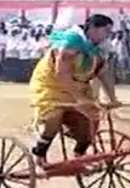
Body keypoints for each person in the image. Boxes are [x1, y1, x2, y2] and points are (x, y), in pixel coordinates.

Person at [28, 14, 121, 167]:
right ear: (92, 29)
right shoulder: (71, 42)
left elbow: (104, 74)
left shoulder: (101, 48)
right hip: (52, 85)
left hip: (80, 86)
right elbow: (61, 73)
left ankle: (79, 156)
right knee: (54, 116)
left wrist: (113, 98)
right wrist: (79, 100)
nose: (108, 36)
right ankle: (40, 152)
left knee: (92, 118)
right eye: (106, 31)